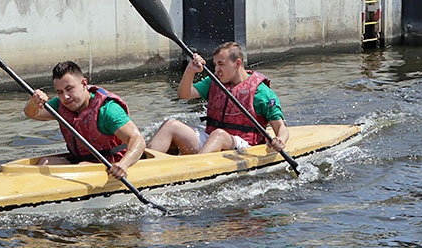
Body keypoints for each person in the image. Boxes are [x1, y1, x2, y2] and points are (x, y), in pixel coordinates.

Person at [148, 42, 289, 156]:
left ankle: (195, 168)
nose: (216, 70)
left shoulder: (262, 93)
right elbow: (184, 94)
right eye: (215, 64)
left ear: (237, 63)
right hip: (210, 139)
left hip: (244, 145)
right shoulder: (214, 82)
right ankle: (145, 165)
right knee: (171, 125)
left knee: (219, 134)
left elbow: (281, 127)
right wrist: (190, 70)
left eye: (221, 64)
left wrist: (280, 140)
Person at [24, 61, 146, 180]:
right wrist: (34, 103)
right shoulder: (60, 105)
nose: (65, 97)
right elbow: (33, 114)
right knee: (45, 162)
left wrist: (123, 164)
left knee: (82, 167)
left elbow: (138, 140)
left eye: (69, 88)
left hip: (112, 164)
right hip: (80, 160)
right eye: (60, 92)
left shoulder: (108, 110)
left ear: (84, 84)